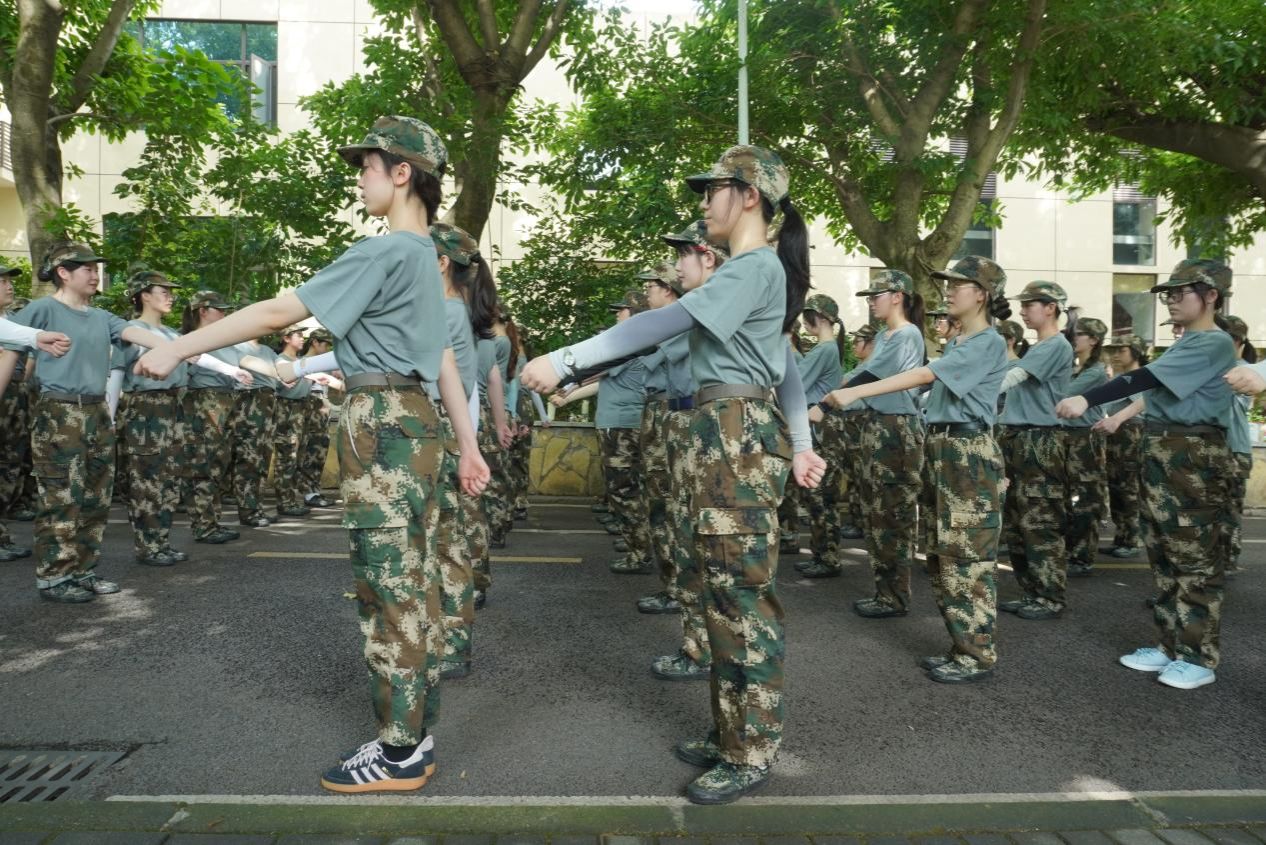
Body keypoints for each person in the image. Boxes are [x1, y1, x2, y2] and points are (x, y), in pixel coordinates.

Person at [135, 115, 489, 789]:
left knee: (388, 586)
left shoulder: (387, 251)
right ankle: (413, 734)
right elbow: (444, 359)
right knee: (415, 582)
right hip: (418, 421)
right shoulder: (427, 259)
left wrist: (177, 347)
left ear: (402, 173)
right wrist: (468, 446)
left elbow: (280, 312)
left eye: (367, 168)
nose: (360, 180)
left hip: (379, 421)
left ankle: (398, 752)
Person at [520, 145, 825, 804]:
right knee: (721, 591)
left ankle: (750, 749)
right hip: (725, 434)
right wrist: (801, 444)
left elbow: (667, 321)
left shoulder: (754, 267)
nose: (704, 203)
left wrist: (567, 359)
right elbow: (785, 369)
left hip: (735, 436)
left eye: (713, 190)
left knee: (739, 598)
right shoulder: (752, 272)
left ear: (749, 196)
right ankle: (732, 731)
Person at [827, 256, 1010, 684]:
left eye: (958, 285)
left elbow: (924, 375)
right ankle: (962, 645)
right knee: (944, 552)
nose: (949, 291)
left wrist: (855, 392)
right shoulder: (963, 342)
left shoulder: (987, 342)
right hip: (944, 446)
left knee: (966, 557)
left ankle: (976, 654)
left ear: (981, 295)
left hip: (967, 451)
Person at [1056, 259, 1235, 690]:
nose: (1171, 300)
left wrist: (1086, 399)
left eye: (1180, 292)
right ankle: (1170, 645)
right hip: (1164, 447)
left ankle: (1197, 657)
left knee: (1193, 558)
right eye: (1168, 294)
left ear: (1211, 295)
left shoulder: (1213, 342)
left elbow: (1143, 378)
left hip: (1192, 452)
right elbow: (1153, 389)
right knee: (1163, 552)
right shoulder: (1187, 342)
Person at [0, 243, 168, 602]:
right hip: (59, 412)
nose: (95, 275)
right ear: (63, 273)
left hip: (97, 412)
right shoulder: (42, 309)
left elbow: (135, 334)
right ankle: (54, 577)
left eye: (96, 269)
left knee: (96, 498)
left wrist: (173, 348)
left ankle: (82, 570)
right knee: (61, 497)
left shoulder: (101, 316)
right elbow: (9, 341)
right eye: (87, 269)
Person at [118, 270, 252, 566]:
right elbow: (115, 372)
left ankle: (161, 542)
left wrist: (231, 370)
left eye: (171, 292)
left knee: (169, 478)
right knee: (147, 478)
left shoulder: (171, 334)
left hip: (175, 404)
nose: (171, 297)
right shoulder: (130, 330)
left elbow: (195, 355)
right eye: (163, 291)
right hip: (147, 406)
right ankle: (149, 546)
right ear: (144, 295)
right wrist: (109, 411)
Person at [652, 219, 728, 682]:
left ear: (709, 258)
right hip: (694, 425)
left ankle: (708, 650)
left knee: (709, 549)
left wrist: (567, 362)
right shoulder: (706, 305)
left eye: (684, 255)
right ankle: (698, 645)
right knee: (688, 538)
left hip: (714, 429)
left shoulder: (710, 307)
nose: (676, 267)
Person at [429, 220, 497, 678]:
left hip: (442, 433)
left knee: (447, 540)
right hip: (446, 433)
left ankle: (453, 643)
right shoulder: (452, 310)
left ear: (440, 263)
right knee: (446, 538)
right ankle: (449, 638)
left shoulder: (446, 312)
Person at [839, 270, 926, 615]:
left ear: (897, 296)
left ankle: (895, 596)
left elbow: (869, 375)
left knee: (894, 515)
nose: (871, 302)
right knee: (875, 514)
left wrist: (834, 397)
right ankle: (884, 592)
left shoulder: (907, 334)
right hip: (876, 425)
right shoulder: (883, 336)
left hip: (896, 429)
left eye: (876, 296)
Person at [994, 281, 1073, 620]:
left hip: (1039, 440)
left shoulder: (1055, 345)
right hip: (1019, 437)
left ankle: (1049, 596)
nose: (1022, 311)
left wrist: (973, 390)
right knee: (1017, 521)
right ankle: (1032, 592)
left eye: (1029, 305)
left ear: (1050, 307)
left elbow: (1012, 378)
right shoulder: (1040, 346)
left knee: (1039, 520)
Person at [0, 265, 73, 562]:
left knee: (11, 463)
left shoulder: (10, 321)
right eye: (2, 281)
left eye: (8, 281)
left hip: (16, 392)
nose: (8, 286)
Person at [635, 261, 687, 612]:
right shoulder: (668, 324)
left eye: (651, 287)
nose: (646, 294)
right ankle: (672, 585)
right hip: (659, 410)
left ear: (668, 290)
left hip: (671, 412)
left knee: (667, 505)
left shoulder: (678, 325)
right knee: (658, 501)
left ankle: (678, 589)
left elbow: (643, 357)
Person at [795, 294, 845, 580]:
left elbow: (795, 384)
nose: (804, 322)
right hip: (821, 426)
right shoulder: (826, 349)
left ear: (823, 318)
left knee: (820, 495)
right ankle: (822, 554)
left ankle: (827, 557)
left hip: (820, 428)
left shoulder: (824, 350)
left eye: (809, 316)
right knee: (819, 495)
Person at [1093, 332, 1149, 559]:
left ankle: (1132, 540)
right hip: (1115, 433)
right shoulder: (1121, 377)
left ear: (1135, 352)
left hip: (1132, 433)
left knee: (1129, 488)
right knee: (1116, 486)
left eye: (1121, 350)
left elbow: (1141, 406)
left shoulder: (1143, 377)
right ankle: (1122, 537)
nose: (1116, 355)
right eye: (1113, 351)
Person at [1063, 316, 1109, 578]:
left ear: (1093, 340)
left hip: (1085, 437)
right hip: (1068, 435)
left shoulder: (1095, 372)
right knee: (1068, 498)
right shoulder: (1077, 368)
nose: (1073, 338)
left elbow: (1064, 393)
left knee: (1086, 499)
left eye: (1078, 334)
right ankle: (1072, 550)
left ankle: (1082, 556)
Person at [1218, 315, 1255, 573]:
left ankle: (1227, 561)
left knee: (1229, 510)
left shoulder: (1244, 371)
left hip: (1234, 450)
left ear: (1236, 341)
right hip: (1214, 447)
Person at [273, 325, 315, 518]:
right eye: (298, 335)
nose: (302, 338)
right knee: (286, 457)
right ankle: (285, 502)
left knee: (297, 456)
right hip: (287, 408)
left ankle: (290, 499)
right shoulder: (281, 361)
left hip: (302, 407)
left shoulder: (300, 361)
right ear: (286, 338)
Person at [300, 328, 337, 508]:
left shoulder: (324, 362)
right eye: (325, 344)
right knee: (313, 449)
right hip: (311, 405)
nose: (327, 348)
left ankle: (312, 489)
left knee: (320, 448)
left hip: (321, 406)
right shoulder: (303, 362)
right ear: (314, 342)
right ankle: (309, 492)